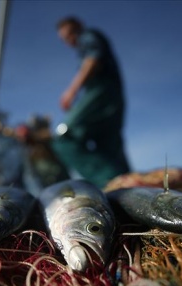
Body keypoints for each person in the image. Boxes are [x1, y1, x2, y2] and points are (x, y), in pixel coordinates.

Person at [52, 16, 130, 188]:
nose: (70, 40)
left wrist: (71, 91)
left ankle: (110, 182)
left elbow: (92, 59)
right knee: (108, 144)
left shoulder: (88, 36)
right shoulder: (87, 42)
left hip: (100, 92)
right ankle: (129, 187)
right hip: (112, 96)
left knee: (64, 137)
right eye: (65, 39)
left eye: (71, 34)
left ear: (79, 26)